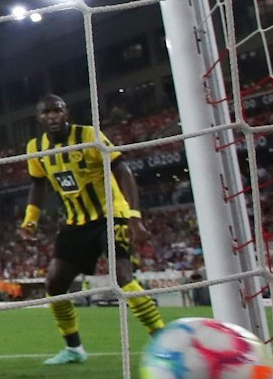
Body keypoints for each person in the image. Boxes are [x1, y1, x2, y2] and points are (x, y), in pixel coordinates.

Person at [19, 94, 167, 365]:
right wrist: (31, 219)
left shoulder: (88, 135)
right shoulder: (36, 148)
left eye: (57, 110)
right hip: (76, 223)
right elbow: (38, 185)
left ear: (66, 113)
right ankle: (74, 349)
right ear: (39, 118)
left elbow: (123, 171)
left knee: (122, 276)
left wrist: (134, 216)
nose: (52, 116)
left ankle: (164, 340)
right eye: (46, 112)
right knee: (54, 284)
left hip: (112, 215)